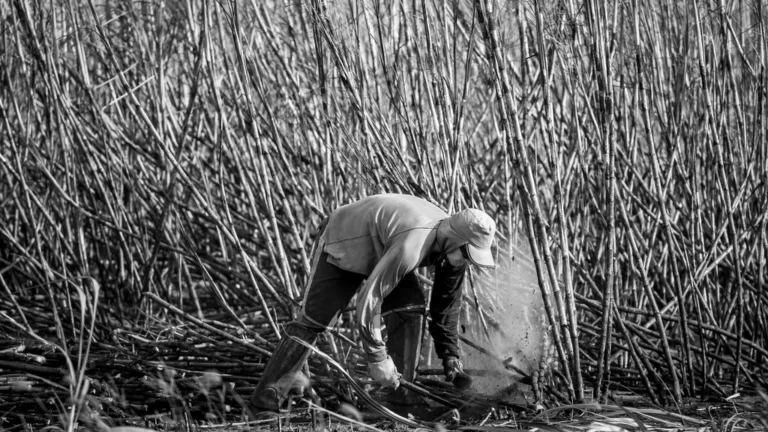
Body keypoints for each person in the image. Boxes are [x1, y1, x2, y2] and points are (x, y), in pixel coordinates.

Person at [251, 193, 496, 411]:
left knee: (409, 309)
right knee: (315, 320)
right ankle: (266, 398)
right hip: (345, 239)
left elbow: (446, 308)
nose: (467, 261)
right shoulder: (413, 246)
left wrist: (450, 356)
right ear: (454, 238)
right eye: (467, 253)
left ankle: (402, 400)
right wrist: (377, 358)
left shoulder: (454, 253)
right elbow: (369, 300)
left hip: (386, 247)